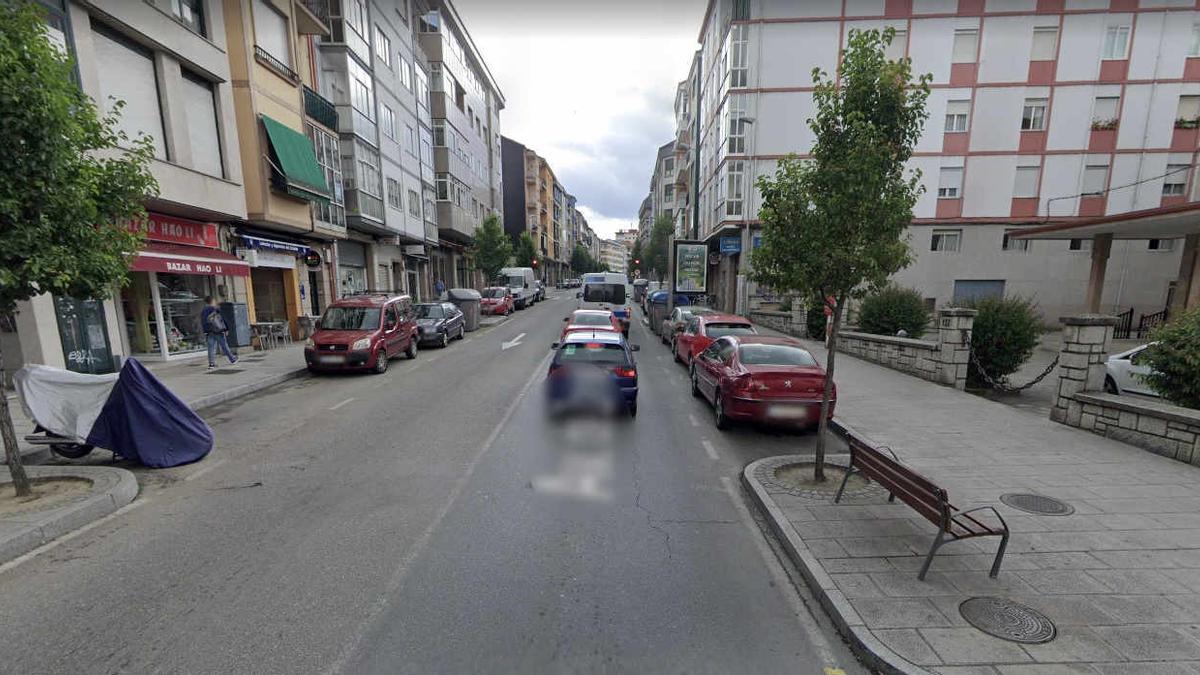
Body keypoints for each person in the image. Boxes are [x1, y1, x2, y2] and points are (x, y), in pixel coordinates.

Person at [200, 296, 238, 369]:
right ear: (212, 301)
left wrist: (205, 331)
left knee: (211, 348)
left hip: (209, 332)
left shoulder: (204, 311)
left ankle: (212, 364)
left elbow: (203, 322)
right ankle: (232, 359)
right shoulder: (215, 309)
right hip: (218, 331)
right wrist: (226, 329)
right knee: (224, 345)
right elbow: (221, 319)